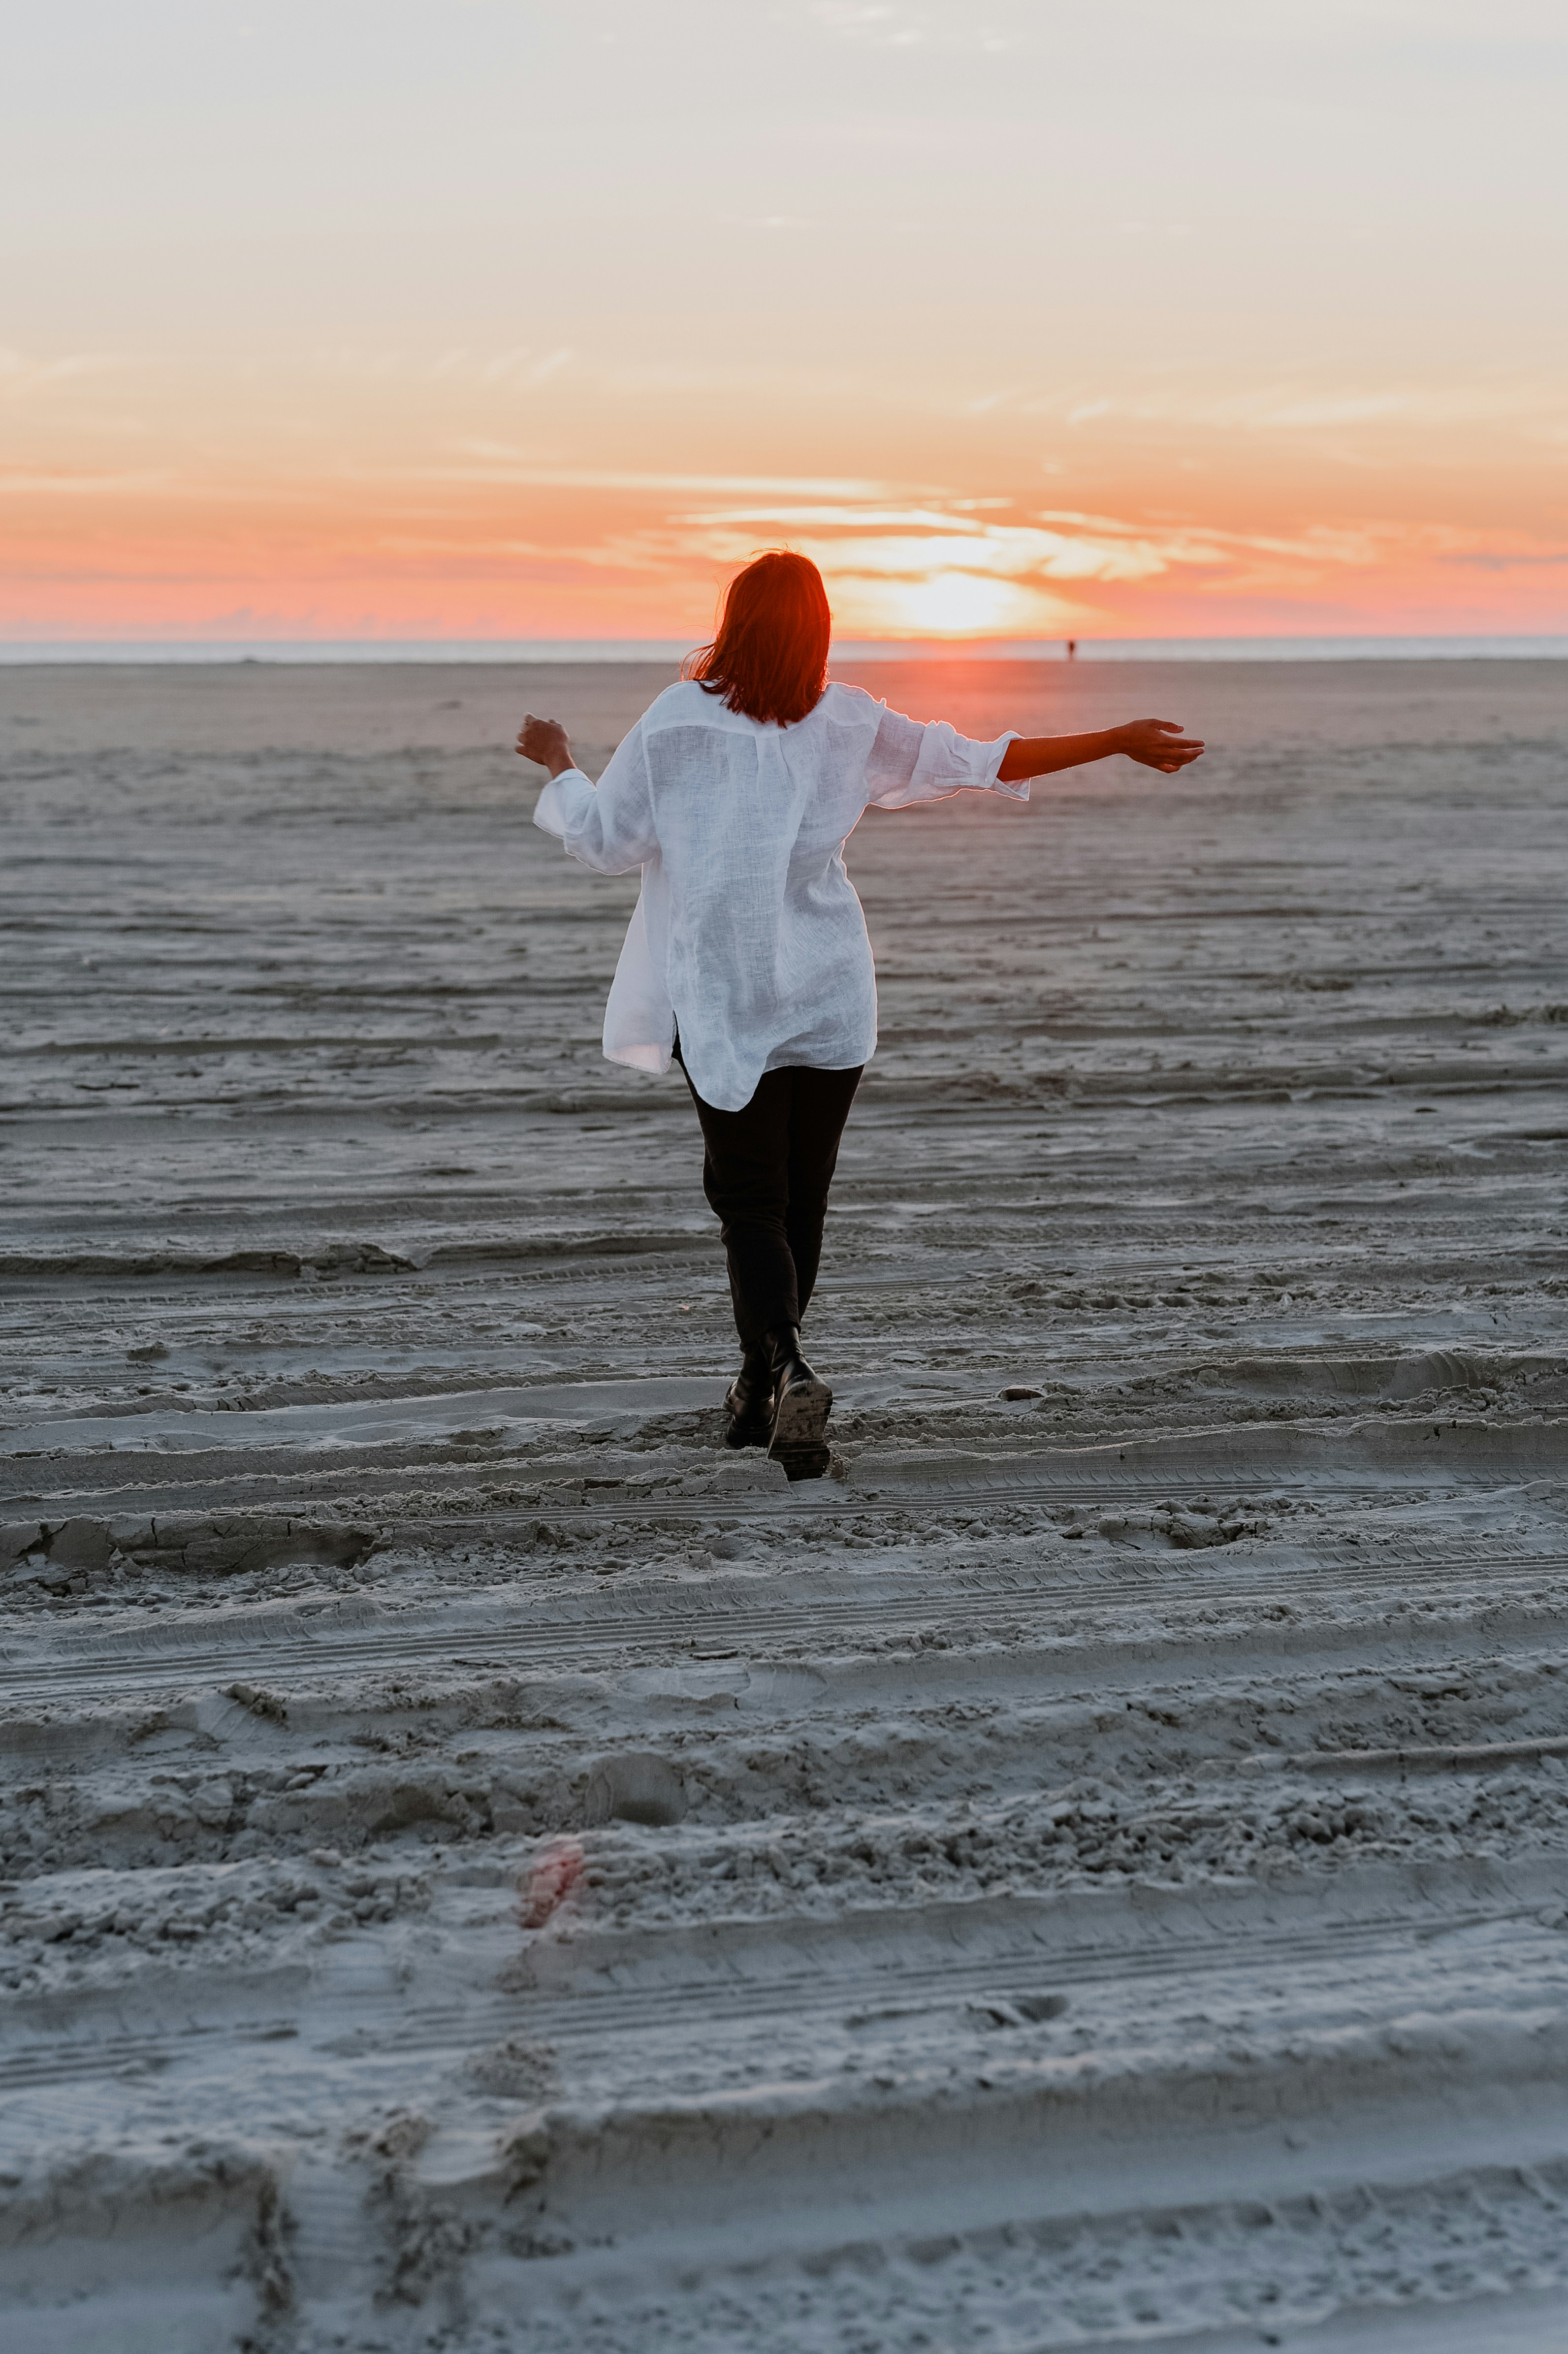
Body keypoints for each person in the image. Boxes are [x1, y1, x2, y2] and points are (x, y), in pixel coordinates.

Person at [515, 551, 1203, 1479]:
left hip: (726, 994)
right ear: (818, 631)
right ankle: (762, 1385)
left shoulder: (679, 720)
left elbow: (605, 842)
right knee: (800, 1197)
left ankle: (784, 1364)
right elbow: (979, 759)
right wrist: (1114, 735)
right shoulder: (846, 719)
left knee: (748, 1200)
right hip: (829, 989)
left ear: (735, 620)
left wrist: (560, 763)